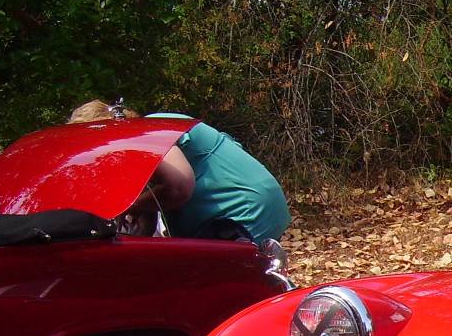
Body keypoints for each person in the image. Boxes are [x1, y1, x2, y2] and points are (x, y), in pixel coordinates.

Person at [68, 100, 290, 244]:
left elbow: (179, 186)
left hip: (238, 212)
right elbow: (152, 209)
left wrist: (131, 206)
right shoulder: (139, 142)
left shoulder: (145, 132)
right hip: (255, 203)